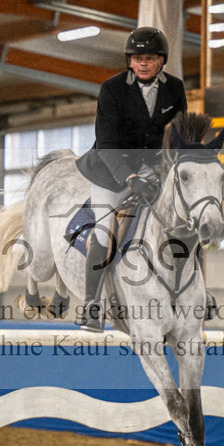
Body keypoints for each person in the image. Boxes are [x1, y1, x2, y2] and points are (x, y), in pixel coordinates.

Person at [74, 27, 187, 332]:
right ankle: (91, 305)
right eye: (137, 58)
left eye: (149, 58)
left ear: (161, 60)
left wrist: (174, 168)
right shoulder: (112, 89)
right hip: (111, 169)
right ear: (130, 61)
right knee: (104, 232)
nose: (142, 64)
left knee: (181, 218)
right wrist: (130, 177)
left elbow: (179, 135)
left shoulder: (175, 88)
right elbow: (106, 142)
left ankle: (190, 292)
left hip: (152, 166)